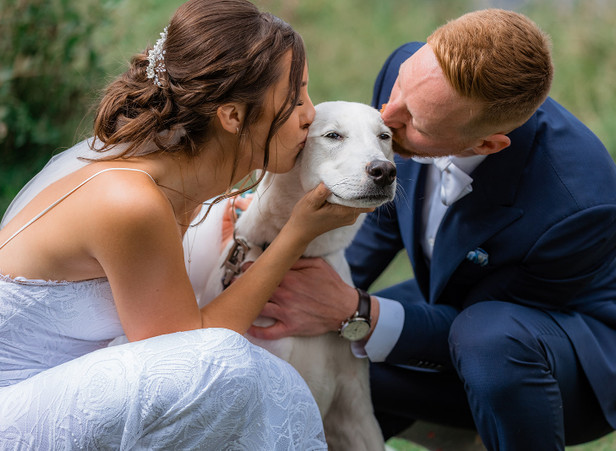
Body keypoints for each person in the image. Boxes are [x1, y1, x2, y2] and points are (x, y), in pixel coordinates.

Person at [246, 9, 616, 450]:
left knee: (480, 341)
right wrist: (301, 287)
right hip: (460, 310)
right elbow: (385, 214)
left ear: (486, 145)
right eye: (399, 89)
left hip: (558, 364)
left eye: (416, 124)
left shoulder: (579, 203)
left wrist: (355, 310)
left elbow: (486, 329)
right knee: (331, 356)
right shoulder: (411, 80)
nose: (387, 115)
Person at [0, 0, 372, 448]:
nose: (310, 114)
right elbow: (192, 356)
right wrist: (295, 235)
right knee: (230, 368)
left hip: (53, 384)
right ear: (233, 116)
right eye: (294, 99)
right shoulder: (131, 202)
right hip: (15, 405)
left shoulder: (174, 183)